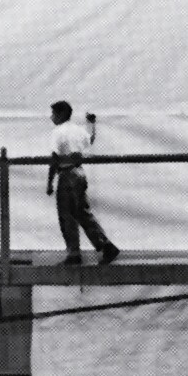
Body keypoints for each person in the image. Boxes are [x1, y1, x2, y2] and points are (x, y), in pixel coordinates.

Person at [46, 101, 120, 266]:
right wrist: (91, 124)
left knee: (67, 215)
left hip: (66, 174)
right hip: (80, 174)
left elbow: (54, 158)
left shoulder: (58, 132)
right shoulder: (78, 130)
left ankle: (74, 253)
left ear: (60, 114)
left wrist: (50, 182)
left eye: (53, 114)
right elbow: (90, 140)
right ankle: (105, 245)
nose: (51, 117)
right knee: (82, 212)